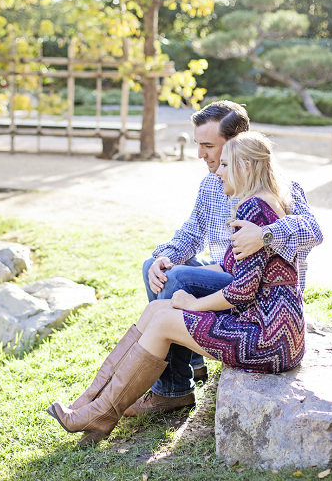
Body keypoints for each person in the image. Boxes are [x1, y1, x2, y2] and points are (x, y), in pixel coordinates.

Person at [46, 131, 306, 445]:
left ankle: (102, 412)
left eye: (225, 164)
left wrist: (192, 304)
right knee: (157, 308)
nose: (218, 171)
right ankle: (91, 400)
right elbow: (244, 274)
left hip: (267, 338)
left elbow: (243, 290)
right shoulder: (268, 202)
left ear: (246, 167)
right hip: (273, 330)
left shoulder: (253, 209)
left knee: (165, 321)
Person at [130, 100, 322, 416]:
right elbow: (190, 234)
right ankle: (190, 364)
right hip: (226, 272)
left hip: (259, 291)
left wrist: (266, 234)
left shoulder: (280, 185)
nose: (200, 154)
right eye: (198, 144)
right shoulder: (210, 185)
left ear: (236, 144)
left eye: (208, 145)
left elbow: (313, 230)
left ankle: (171, 389)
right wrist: (164, 257)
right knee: (158, 267)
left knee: (178, 278)